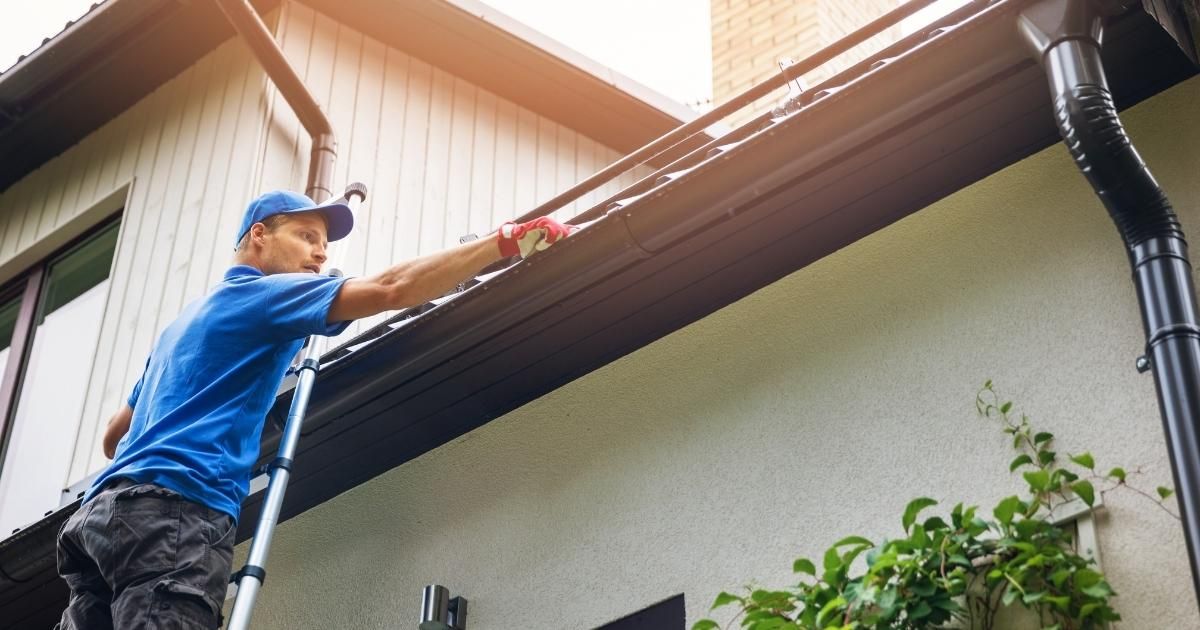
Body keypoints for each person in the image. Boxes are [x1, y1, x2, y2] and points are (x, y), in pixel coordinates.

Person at [54, 190, 574, 629]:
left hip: (99, 522)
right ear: (259, 235)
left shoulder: (181, 326)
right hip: (176, 515)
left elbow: (114, 436)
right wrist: (502, 241)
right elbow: (392, 287)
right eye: (306, 237)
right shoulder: (265, 296)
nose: (320, 255)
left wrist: (222, 425)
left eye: (324, 247)